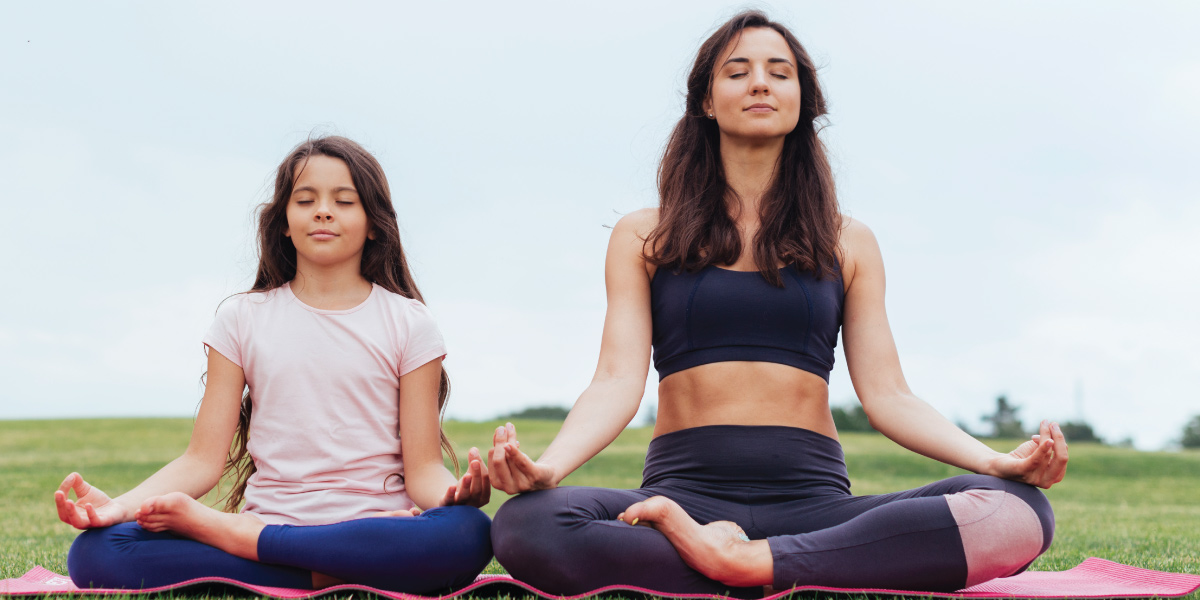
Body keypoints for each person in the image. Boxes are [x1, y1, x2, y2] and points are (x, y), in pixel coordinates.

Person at [487, 11, 1067, 597]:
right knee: (528, 525)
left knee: (1016, 511)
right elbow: (615, 379)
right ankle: (781, 563)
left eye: (779, 72)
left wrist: (992, 463)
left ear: (802, 99)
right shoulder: (645, 234)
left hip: (815, 503)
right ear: (707, 102)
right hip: (679, 496)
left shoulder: (848, 241)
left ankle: (746, 564)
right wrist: (551, 469)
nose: (760, 83)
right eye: (738, 72)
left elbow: (889, 395)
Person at [54, 136, 493, 594]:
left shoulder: (409, 323)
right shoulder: (242, 318)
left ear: (374, 225)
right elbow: (202, 461)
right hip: (299, 525)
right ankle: (337, 566)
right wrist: (117, 510)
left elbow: (422, 470)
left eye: (344, 201)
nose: (323, 211)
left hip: (375, 525)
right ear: (284, 221)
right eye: (306, 200)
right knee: (96, 552)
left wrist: (454, 498)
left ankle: (251, 542)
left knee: (469, 531)